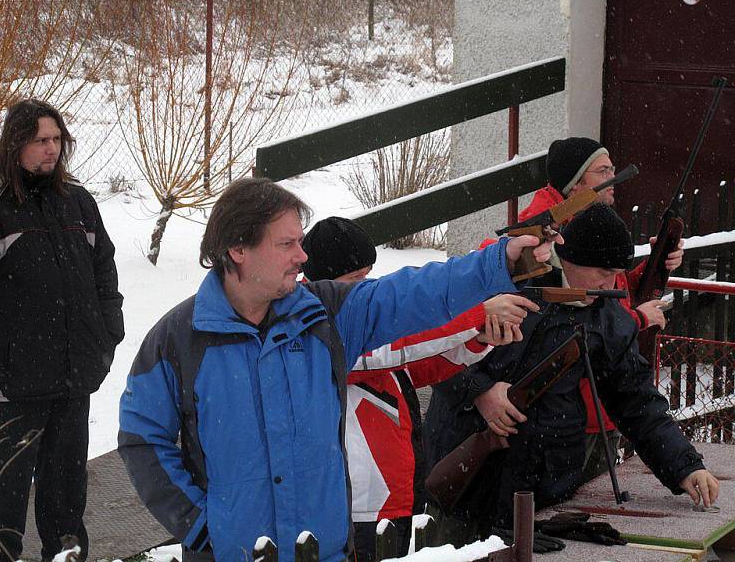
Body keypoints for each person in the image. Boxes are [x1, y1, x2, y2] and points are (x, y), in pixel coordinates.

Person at [117, 178, 556, 562]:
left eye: (301, 242)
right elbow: (141, 436)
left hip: (323, 552)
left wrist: (500, 262)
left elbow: (414, 292)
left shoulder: (327, 314)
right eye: (286, 244)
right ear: (238, 249)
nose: (302, 256)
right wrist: (199, 524)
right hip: (232, 554)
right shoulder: (178, 338)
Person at [427, 204, 718, 541]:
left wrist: (686, 467)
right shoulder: (502, 281)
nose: (611, 283)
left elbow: (636, 401)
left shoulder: (607, 316)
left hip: (543, 485)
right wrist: (480, 392)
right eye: (602, 271)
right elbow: (432, 349)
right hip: (468, 474)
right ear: (570, 259)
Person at [0, 99, 124, 562]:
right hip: (11, 381)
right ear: (16, 142)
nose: (51, 149)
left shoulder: (76, 201)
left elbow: (105, 275)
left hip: (72, 376)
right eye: (41, 140)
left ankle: (67, 555)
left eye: (57, 139)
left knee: (66, 495)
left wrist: (106, 336)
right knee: (4, 499)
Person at [301, 217, 538, 561]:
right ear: (324, 283)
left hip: (388, 493)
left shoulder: (345, 318)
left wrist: (477, 339)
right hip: (359, 504)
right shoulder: (319, 323)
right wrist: (475, 315)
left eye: (367, 276)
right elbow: (399, 346)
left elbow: (415, 367)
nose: (365, 286)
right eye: (355, 280)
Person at [518, 136, 685, 483]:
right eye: (603, 171)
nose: (614, 178)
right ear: (576, 183)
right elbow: (565, 315)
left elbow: (609, 292)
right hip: (572, 411)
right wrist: (638, 319)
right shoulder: (541, 232)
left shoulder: (590, 221)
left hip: (599, 401)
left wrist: (654, 268)